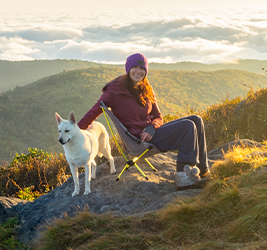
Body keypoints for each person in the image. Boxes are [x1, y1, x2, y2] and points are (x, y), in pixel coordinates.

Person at [77, 53, 210, 188]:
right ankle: (184, 176)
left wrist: (151, 127)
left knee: (196, 120)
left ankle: (202, 169)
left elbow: (158, 116)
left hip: (151, 133)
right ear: (128, 68)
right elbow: (92, 113)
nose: (138, 71)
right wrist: (75, 131)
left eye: (142, 68)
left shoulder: (146, 89)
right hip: (137, 140)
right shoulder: (114, 91)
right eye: (135, 67)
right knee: (187, 126)